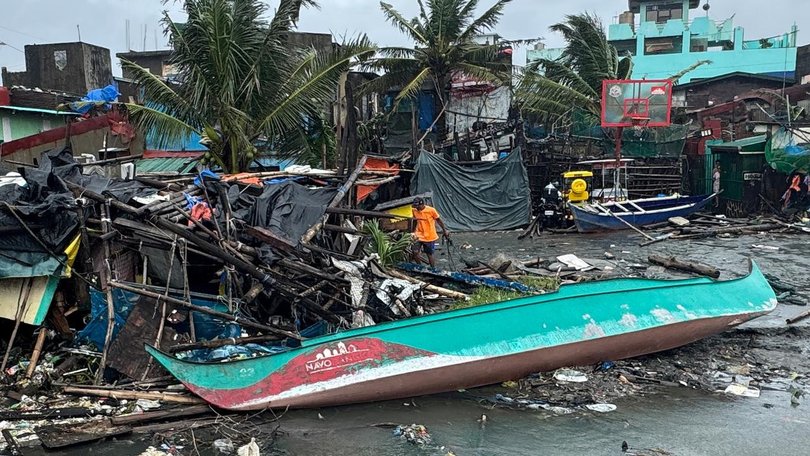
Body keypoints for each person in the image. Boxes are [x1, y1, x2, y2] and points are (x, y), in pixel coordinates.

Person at [410, 197, 449, 268]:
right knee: (415, 251)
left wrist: (444, 230)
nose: (417, 208)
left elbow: (439, 220)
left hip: (429, 235)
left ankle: (432, 269)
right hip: (418, 234)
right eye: (415, 206)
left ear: (422, 204)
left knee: (429, 254)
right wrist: (412, 231)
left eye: (418, 206)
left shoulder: (431, 210)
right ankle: (420, 267)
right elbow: (415, 220)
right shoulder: (414, 210)